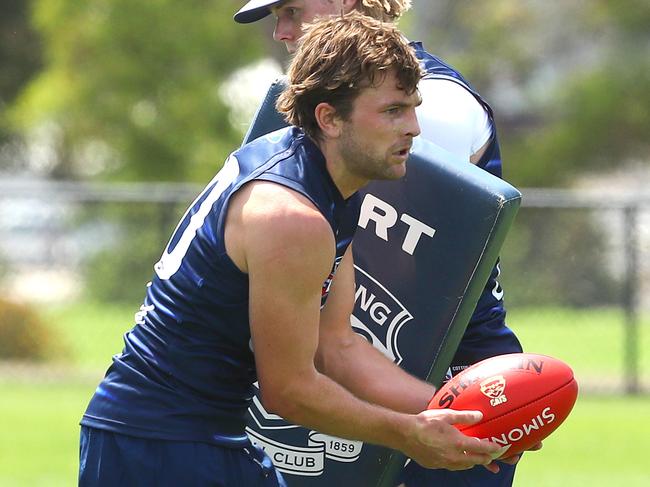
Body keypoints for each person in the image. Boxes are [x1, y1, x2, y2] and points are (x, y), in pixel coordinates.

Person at [78, 12, 503, 487]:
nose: (414, 129)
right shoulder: (292, 218)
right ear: (329, 118)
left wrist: (467, 415)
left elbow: (337, 348)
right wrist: (409, 434)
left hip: (196, 436)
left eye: (412, 108)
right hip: (157, 446)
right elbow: (289, 391)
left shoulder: (326, 183)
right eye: (392, 111)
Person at [234, 1, 532, 486]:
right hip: (349, 369)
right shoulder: (317, 114)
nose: (281, 33)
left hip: (438, 373)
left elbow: (396, 285)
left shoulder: (432, 105)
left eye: (291, 9)